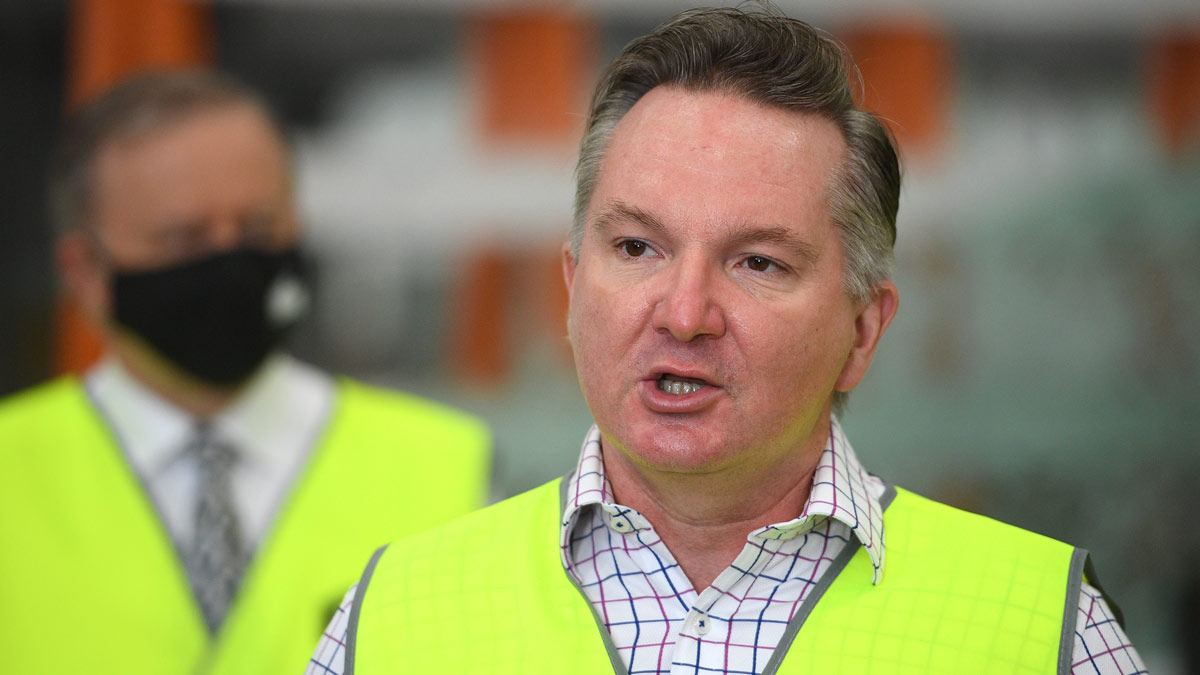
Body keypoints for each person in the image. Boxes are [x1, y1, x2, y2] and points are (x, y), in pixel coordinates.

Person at [309, 6, 1145, 675]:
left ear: (863, 329)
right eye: (637, 247)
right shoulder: (392, 616)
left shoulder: (1045, 630)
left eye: (756, 261)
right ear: (570, 290)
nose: (683, 312)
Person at [0, 70, 491, 675]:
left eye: (259, 230)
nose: (231, 262)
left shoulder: (450, 470)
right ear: (85, 272)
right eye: (185, 240)